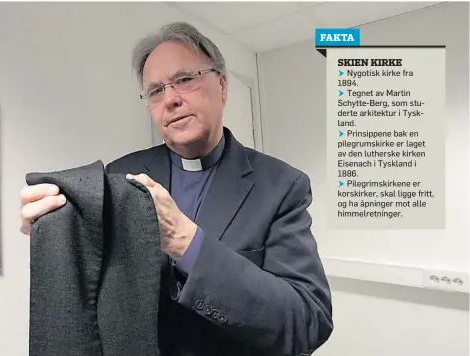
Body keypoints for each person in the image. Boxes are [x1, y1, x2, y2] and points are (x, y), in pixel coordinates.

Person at [20, 22, 333, 356]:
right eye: (155, 91)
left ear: (223, 86)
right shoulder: (120, 174)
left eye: (185, 80)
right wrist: (53, 230)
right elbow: (92, 282)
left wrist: (186, 242)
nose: (170, 100)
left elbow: (308, 322)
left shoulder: (282, 186)